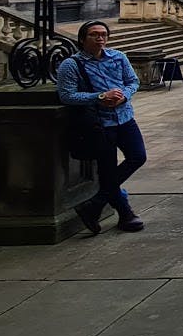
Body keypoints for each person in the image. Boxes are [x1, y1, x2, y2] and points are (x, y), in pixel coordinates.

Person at [56, 20, 147, 235]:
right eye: (94, 34)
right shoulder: (71, 65)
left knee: (138, 156)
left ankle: (94, 205)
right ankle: (125, 215)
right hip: (98, 124)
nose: (100, 38)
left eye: (103, 34)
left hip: (124, 118)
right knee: (107, 170)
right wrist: (99, 97)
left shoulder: (118, 57)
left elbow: (133, 82)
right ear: (82, 39)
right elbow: (67, 95)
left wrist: (123, 95)